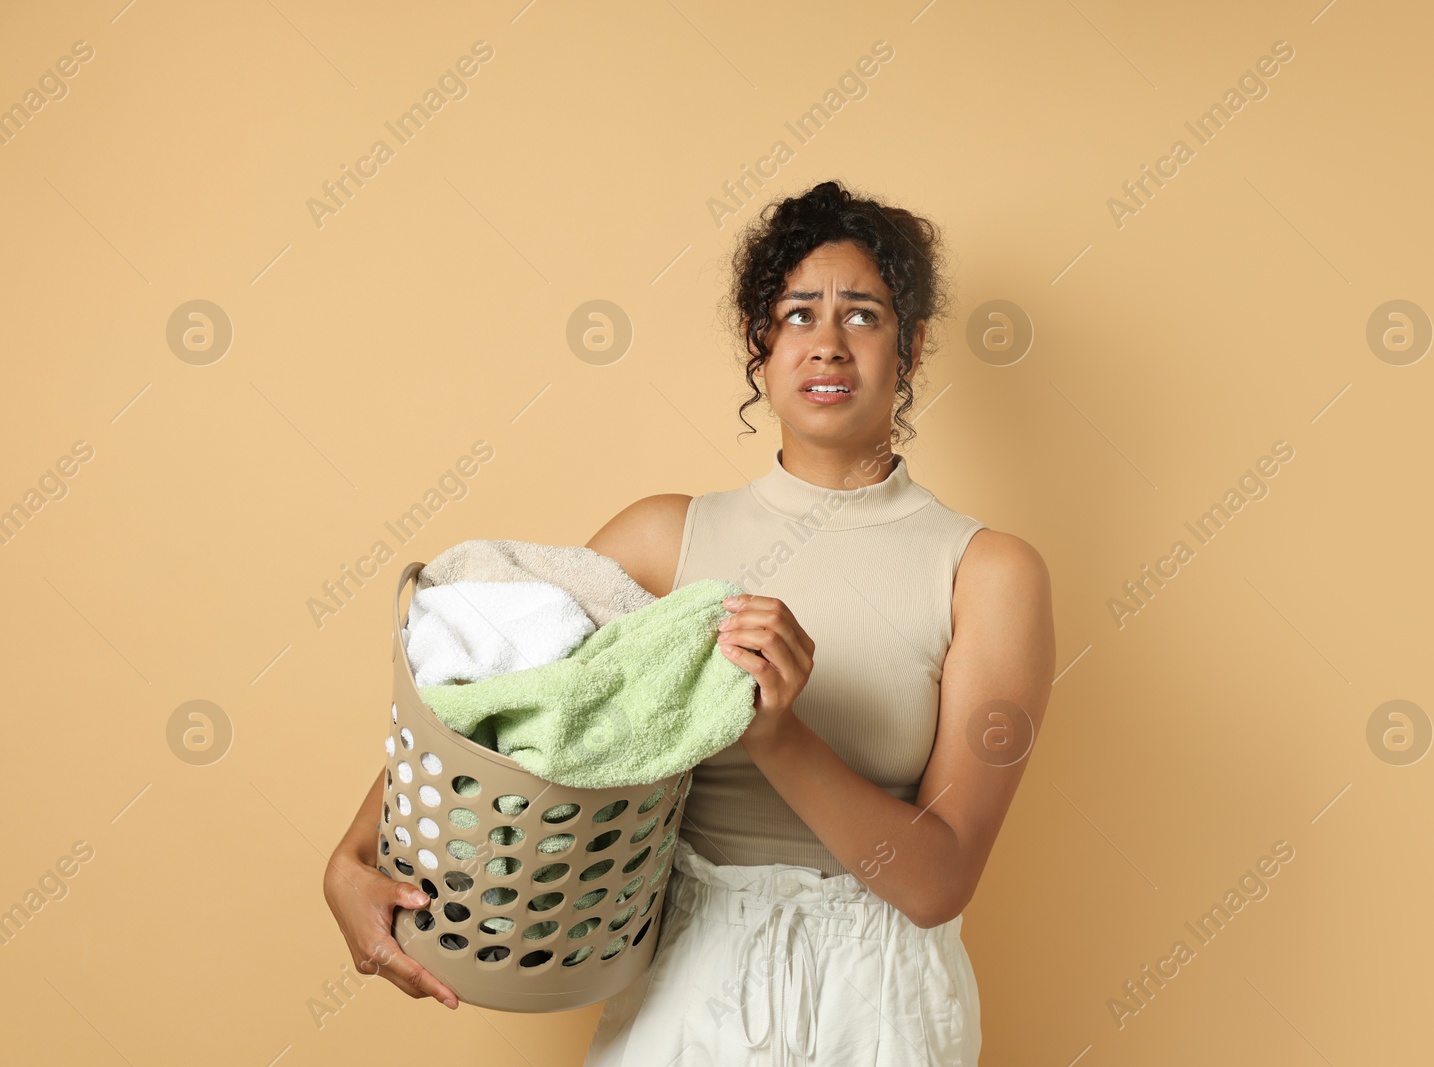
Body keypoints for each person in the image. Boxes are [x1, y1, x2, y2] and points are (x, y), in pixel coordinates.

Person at [323, 180, 1054, 1066]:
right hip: (686, 978)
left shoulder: (987, 573)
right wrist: (353, 856)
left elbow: (938, 882)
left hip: (884, 1000)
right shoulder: (667, 539)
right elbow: (503, 696)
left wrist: (779, 735)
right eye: (796, 314)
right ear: (760, 342)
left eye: (863, 314)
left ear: (914, 343)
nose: (827, 342)